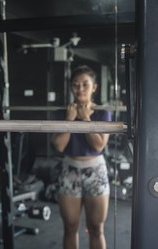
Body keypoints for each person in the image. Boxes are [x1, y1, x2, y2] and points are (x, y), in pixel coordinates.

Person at [51, 65, 111, 249]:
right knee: (70, 227)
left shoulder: (103, 113)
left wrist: (85, 120)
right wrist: (69, 120)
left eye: (85, 84)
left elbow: (98, 145)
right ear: (71, 87)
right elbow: (59, 146)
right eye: (76, 85)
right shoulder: (63, 113)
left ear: (94, 87)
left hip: (96, 170)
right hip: (70, 170)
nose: (80, 89)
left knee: (96, 228)